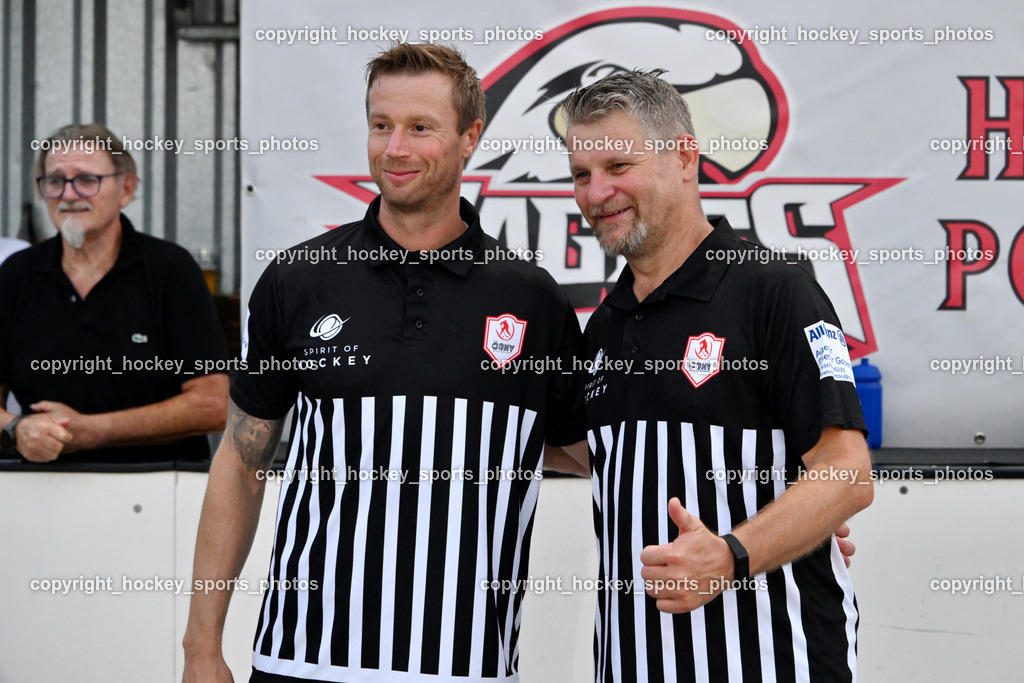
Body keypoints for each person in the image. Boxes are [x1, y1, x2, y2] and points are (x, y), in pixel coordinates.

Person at [182, 43, 586, 683]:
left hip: (465, 666)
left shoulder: (529, 297)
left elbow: (588, 448)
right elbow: (241, 463)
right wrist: (201, 648)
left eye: (420, 128)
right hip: (302, 660)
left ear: (469, 136)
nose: (394, 148)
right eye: (380, 125)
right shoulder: (300, 280)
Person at [562, 70, 873, 682]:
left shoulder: (776, 292)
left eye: (618, 165)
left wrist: (732, 555)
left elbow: (847, 474)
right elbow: (599, 456)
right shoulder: (604, 327)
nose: (597, 192)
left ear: (683, 157)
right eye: (581, 174)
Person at [0, 123, 229, 463]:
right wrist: (15, 428)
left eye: (87, 180)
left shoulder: (170, 270)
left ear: (126, 189)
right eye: (55, 180)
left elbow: (212, 404)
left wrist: (94, 431)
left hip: (160, 491)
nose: (69, 194)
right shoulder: (17, 274)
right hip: (40, 492)